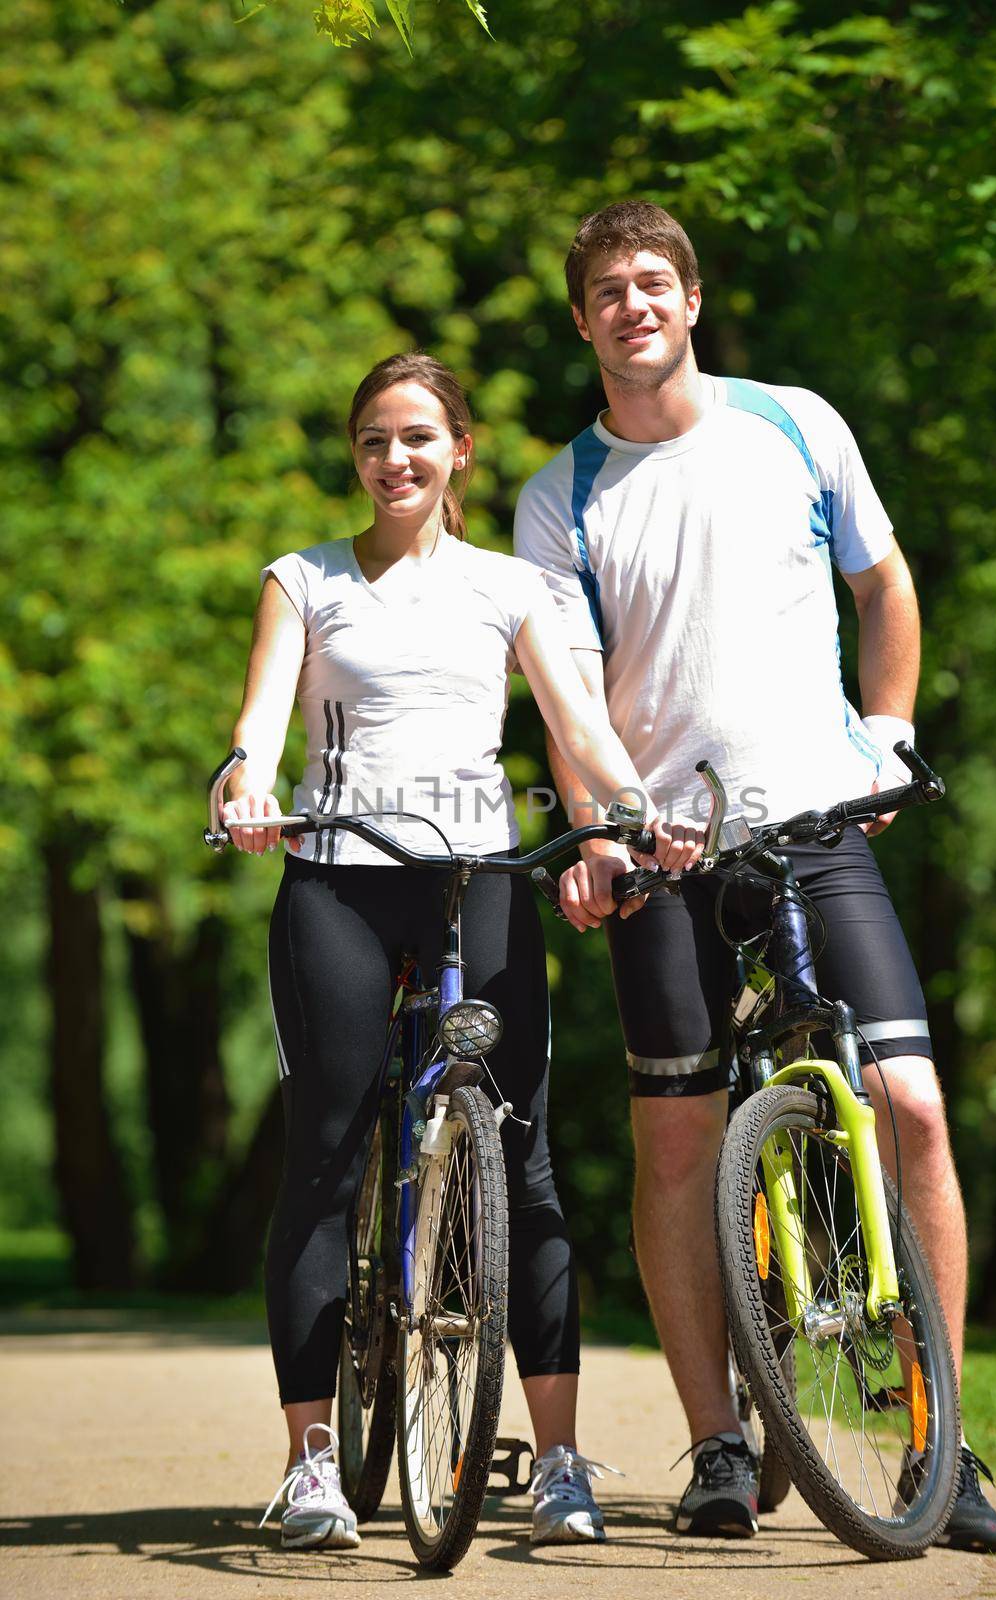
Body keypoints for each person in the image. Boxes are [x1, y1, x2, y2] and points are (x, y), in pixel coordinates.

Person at [513, 201, 996, 1554]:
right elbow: (568, 707)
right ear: (583, 320)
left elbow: (887, 584)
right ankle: (719, 1441)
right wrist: (608, 827)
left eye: (653, 279)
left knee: (909, 1103)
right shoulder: (559, 497)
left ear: (690, 295)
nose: (633, 303)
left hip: (815, 820)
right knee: (677, 1133)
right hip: (664, 850)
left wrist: (892, 738)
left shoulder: (794, 421)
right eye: (607, 288)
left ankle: (938, 1435)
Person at [222, 351, 696, 1552]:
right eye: (375, 439)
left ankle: (560, 1459)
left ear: (460, 452)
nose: (396, 460)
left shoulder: (510, 585)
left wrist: (631, 808)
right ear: (355, 455)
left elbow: (575, 725)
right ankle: (314, 1461)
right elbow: (261, 718)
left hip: (478, 880)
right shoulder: (306, 578)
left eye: (419, 438)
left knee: (521, 1161)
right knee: (326, 1154)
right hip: (335, 877)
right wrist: (246, 782)